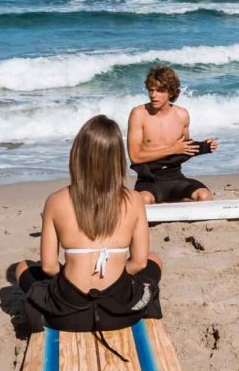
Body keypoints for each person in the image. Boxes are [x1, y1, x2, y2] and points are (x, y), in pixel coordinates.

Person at [14, 116, 162, 333]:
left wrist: (73, 275)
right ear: (117, 158)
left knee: (23, 268)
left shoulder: (56, 200)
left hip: (68, 315)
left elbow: (49, 267)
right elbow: (139, 263)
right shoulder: (134, 200)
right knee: (153, 260)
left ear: (78, 154)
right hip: (120, 313)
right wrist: (116, 273)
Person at [127, 65, 217, 204]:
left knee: (205, 196)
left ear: (170, 92)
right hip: (149, 181)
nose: (153, 95)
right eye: (151, 90)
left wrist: (204, 146)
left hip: (176, 178)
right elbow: (135, 156)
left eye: (160, 90)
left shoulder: (182, 115)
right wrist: (172, 149)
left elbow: (184, 149)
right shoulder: (139, 114)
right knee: (142, 200)